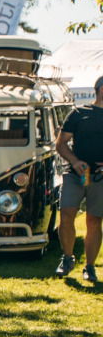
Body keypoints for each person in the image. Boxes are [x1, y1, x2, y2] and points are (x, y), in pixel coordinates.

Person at [54, 74, 103, 281]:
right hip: (75, 175)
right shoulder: (78, 113)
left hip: (100, 178)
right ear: (101, 89)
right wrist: (74, 161)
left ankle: (89, 267)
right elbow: (60, 143)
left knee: (94, 221)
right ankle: (67, 258)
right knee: (66, 215)